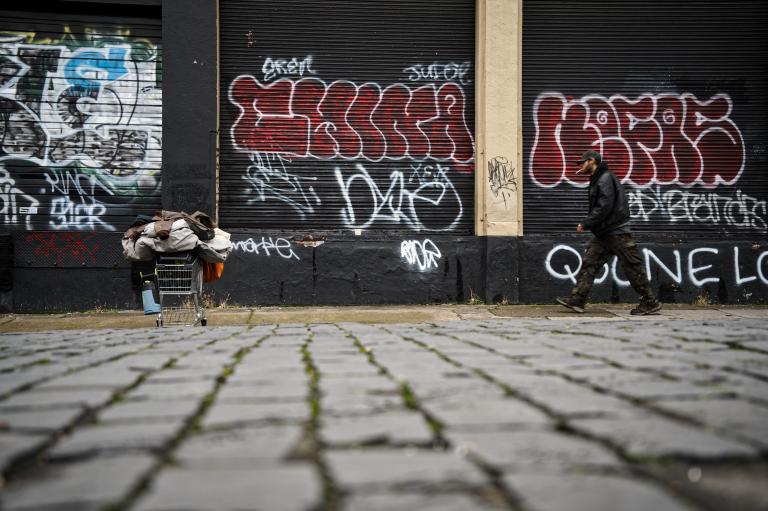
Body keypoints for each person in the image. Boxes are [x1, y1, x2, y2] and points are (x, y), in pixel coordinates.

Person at [556, 150, 662, 315]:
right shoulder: (599, 178)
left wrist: (586, 223)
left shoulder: (604, 178)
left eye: (582, 162)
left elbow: (604, 205)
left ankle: (649, 302)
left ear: (592, 161)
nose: (580, 166)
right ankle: (577, 300)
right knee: (590, 263)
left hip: (616, 232)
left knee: (632, 267)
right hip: (605, 233)